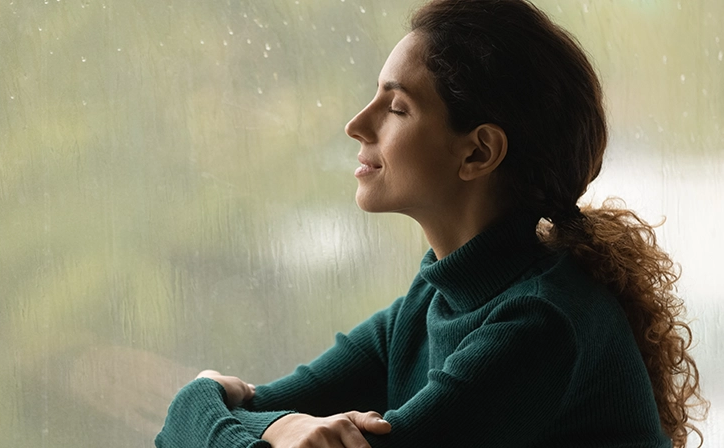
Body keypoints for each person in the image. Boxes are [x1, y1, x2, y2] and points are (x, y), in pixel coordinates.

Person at [155, 0, 705, 446]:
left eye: (396, 108)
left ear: (478, 152)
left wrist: (224, 409)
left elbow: (208, 415)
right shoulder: (430, 302)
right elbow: (192, 421)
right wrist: (278, 425)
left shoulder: (543, 323)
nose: (356, 124)